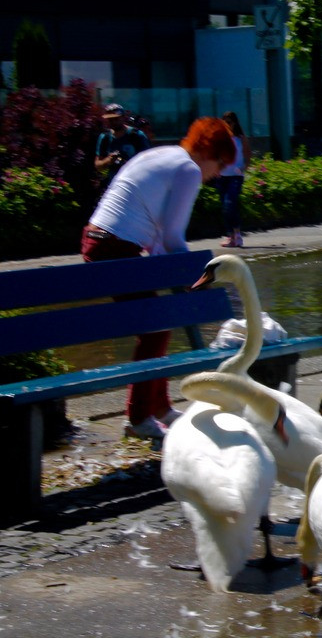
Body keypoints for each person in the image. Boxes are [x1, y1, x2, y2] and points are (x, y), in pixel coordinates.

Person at [81, 117, 236, 443]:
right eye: (220, 163)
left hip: (99, 239)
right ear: (208, 151)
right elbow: (173, 240)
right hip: (114, 246)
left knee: (157, 322)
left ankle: (160, 409)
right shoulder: (188, 170)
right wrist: (201, 280)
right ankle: (139, 418)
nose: (218, 173)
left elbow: (158, 241)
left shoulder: (163, 155)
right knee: (156, 327)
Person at [94, 103, 151, 191]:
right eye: (110, 119)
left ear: (123, 118)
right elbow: (98, 165)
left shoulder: (136, 135)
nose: (113, 122)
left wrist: (129, 162)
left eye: (116, 119)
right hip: (114, 187)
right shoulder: (105, 137)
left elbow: (149, 162)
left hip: (136, 186)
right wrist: (109, 160)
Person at [218, 111, 251, 247]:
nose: (227, 125)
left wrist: (244, 168)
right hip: (222, 177)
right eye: (224, 122)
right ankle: (230, 236)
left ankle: (237, 234)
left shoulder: (240, 138)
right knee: (225, 207)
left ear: (235, 123)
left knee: (230, 203)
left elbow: (247, 155)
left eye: (229, 122)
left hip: (236, 176)